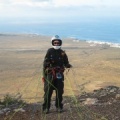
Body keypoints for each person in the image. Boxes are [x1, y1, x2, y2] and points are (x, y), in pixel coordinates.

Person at [42, 35, 72, 114]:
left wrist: (68, 65)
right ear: (52, 43)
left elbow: (66, 62)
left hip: (59, 74)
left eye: (58, 43)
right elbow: (45, 62)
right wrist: (49, 64)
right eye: (55, 43)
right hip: (50, 74)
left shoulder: (62, 53)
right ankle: (46, 108)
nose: (56, 44)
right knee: (48, 91)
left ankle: (59, 107)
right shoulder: (49, 51)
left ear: (60, 43)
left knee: (59, 91)